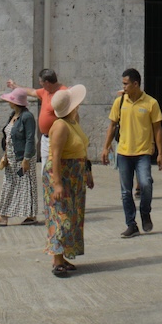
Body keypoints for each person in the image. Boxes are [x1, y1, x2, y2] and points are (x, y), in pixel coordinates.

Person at [100, 68, 162, 237]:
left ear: (136, 84)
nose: (124, 87)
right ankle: (131, 224)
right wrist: (106, 147)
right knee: (125, 191)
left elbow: (157, 129)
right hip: (123, 153)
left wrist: (160, 153)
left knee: (146, 184)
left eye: (126, 84)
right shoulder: (119, 102)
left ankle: (145, 212)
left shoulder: (151, 103)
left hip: (143, 152)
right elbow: (112, 126)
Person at [44, 84, 89, 277]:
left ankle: (63, 256)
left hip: (75, 175)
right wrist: (58, 183)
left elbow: (81, 149)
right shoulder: (61, 126)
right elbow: (55, 156)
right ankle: (56, 260)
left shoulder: (73, 122)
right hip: (61, 173)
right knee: (60, 216)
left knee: (72, 216)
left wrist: (87, 172)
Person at [0, 86, 38, 226]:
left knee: (26, 184)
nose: (8, 102)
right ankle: (4, 215)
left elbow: (30, 139)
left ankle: (30, 215)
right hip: (11, 158)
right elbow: (9, 137)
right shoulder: (13, 115)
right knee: (9, 185)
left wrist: (26, 159)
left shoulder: (27, 117)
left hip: (22, 158)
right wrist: (5, 155)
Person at [30, 67, 65, 169]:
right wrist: (15, 86)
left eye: (41, 82)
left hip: (57, 137)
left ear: (47, 82)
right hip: (45, 138)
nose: (40, 84)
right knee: (45, 168)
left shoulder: (63, 92)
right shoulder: (45, 91)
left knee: (55, 167)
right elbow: (31, 92)